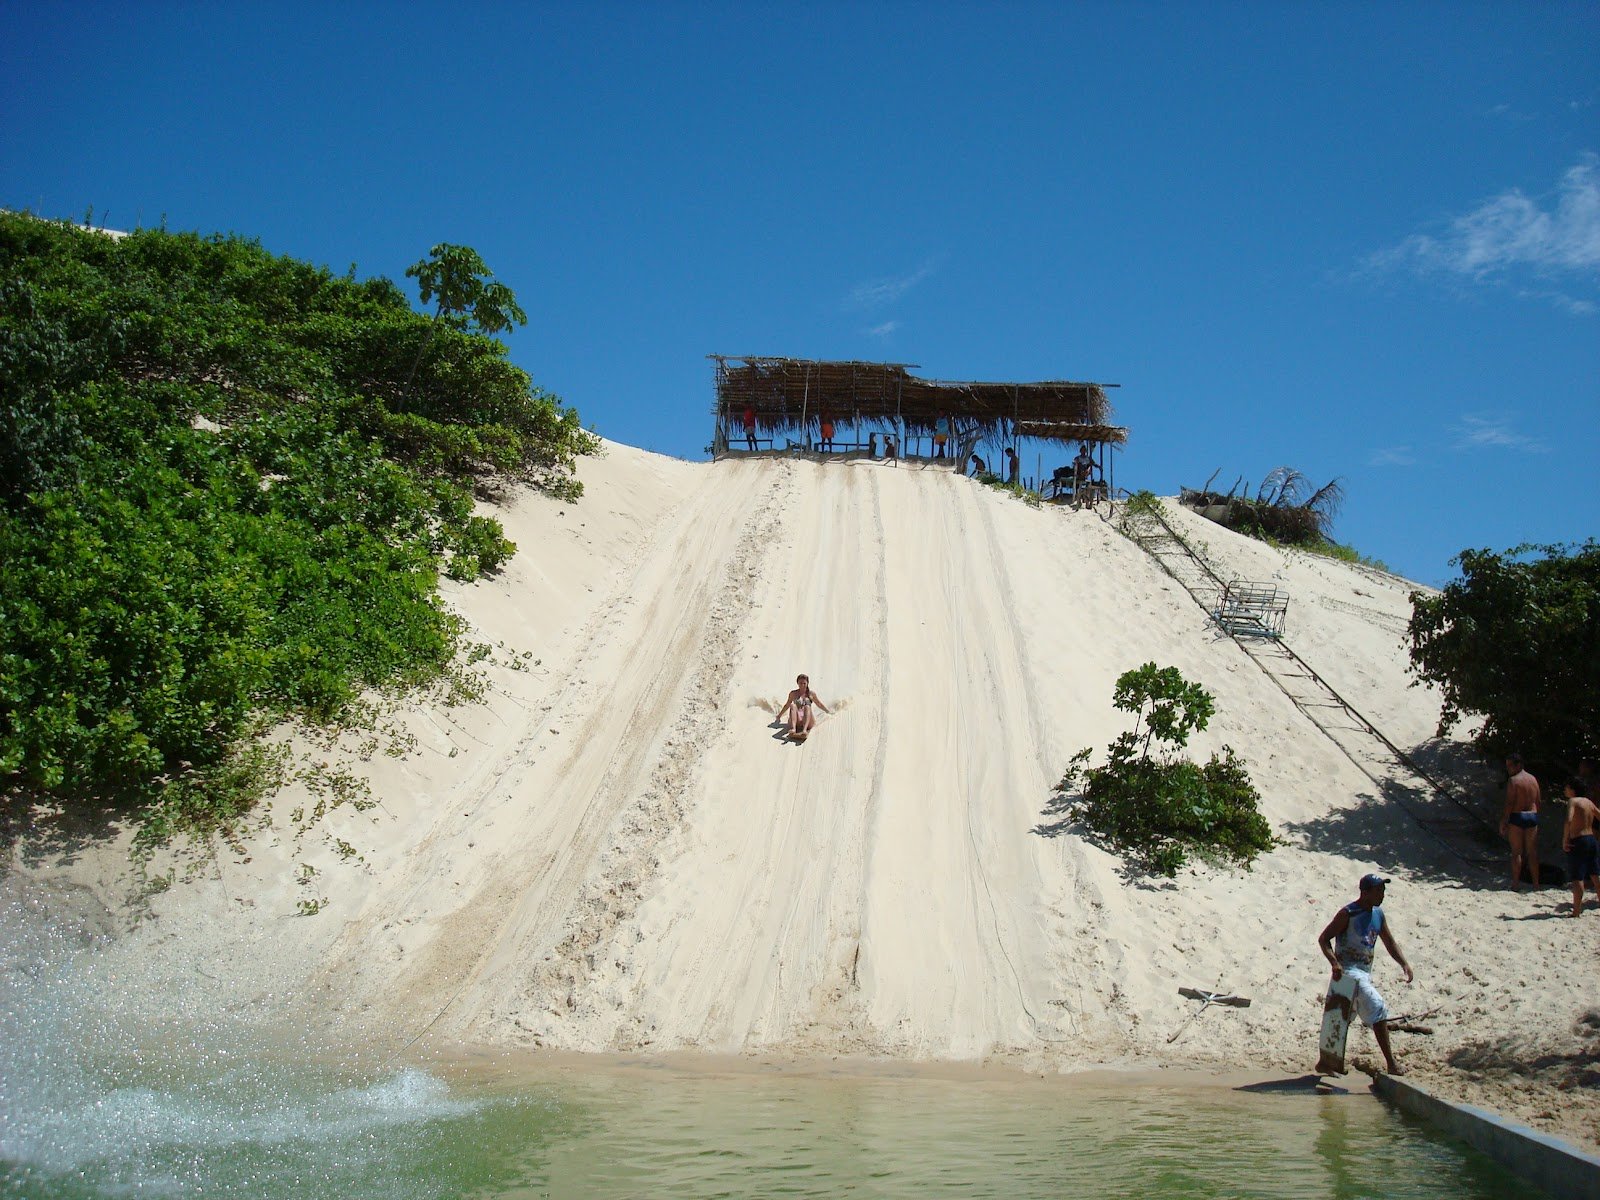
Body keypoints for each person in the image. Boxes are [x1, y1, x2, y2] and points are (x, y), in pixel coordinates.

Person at [1318, 874, 1414, 1075]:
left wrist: (1404, 963)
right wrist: (1334, 963)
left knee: (1344, 1017)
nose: (1382, 895)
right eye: (1378, 891)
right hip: (1348, 973)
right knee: (1377, 1007)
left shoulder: (1378, 914)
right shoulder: (1348, 913)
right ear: (1365, 892)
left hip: (1364, 973)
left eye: (1383, 890)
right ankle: (1392, 1064)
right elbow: (1324, 939)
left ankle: (1326, 1063)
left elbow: (1389, 941)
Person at [1500, 753, 1541, 889]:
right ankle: (1536, 884)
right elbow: (1538, 801)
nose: (1508, 769)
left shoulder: (1514, 781)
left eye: (1510, 766)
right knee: (1532, 852)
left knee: (1516, 852)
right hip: (1532, 815)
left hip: (1518, 815)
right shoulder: (1533, 779)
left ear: (1518, 765)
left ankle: (1516, 884)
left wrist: (1504, 820)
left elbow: (1510, 803)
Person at [1561, 778, 1600, 918]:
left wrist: (1565, 839)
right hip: (1591, 839)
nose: (1565, 789)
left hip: (1578, 840)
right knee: (1595, 874)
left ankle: (1576, 911)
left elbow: (1569, 820)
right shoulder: (1588, 802)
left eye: (1567, 787)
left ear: (1573, 789)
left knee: (1577, 876)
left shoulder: (1573, 801)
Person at [775, 674, 830, 738]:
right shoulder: (793, 693)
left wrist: (828, 711)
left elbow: (819, 704)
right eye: (800, 683)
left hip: (808, 721)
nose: (802, 685)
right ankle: (793, 729)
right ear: (797, 683)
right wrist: (779, 715)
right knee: (793, 705)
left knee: (807, 706)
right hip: (797, 720)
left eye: (804, 683)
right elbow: (787, 705)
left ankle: (804, 730)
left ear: (807, 683)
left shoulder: (811, 694)